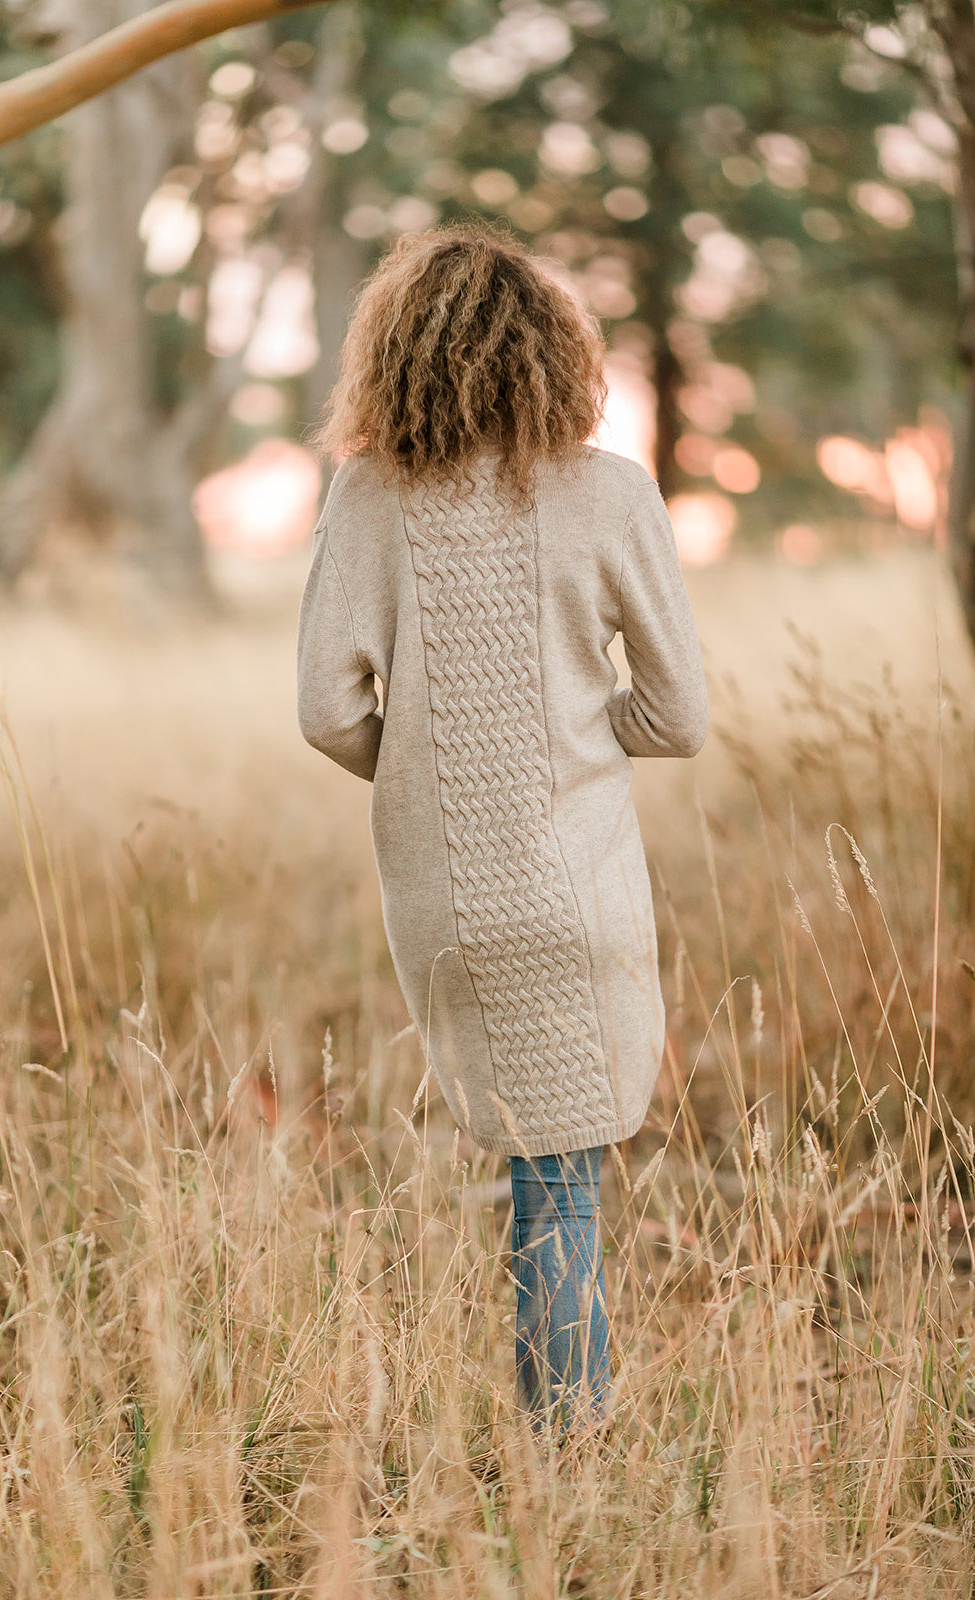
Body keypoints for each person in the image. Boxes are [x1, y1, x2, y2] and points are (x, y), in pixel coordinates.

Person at [296, 223, 709, 1447]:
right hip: (576, 887)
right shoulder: (610, 492)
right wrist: (581, 740)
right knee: (562, 1180)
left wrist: (420, 765)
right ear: (552, 354)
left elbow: (327, 708)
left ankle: (551, 1447)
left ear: (396, 357)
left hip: (444, 902)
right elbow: (679, 715)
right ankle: (570, 1463)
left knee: (534, 1172)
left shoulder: (366, 493)